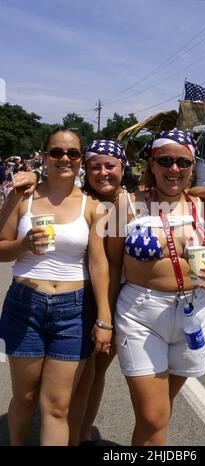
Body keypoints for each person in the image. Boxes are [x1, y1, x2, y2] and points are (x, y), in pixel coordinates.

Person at [11, 136, 205, 446]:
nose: (103, 173)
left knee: (100, 378)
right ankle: (76, 437)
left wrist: (204, 193)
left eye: (110, 166)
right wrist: (106, 316)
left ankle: (83, 433)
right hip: (105, 303)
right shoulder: (98, 201)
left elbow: (180, 194)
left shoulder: (144, 200)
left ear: (124, 167)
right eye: (94, 166)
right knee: (84, 378)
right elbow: (109, 262)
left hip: (162, 307)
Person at [108, 129, 205, 446]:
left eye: (182, 162)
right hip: (140, 315)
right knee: (153, 416)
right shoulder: (127, 205)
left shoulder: (201, 208)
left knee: (158, 415)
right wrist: (103, 321)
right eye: (165, 160)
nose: (174, 168)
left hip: (192, 315)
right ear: (152, 163)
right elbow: (109, 266)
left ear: (192, 166)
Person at [0, 127, 111, 446]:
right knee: (25, 398)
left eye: (73, 153)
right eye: (57, 152)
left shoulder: (94, 206)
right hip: (25, 305)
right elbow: (0, 248)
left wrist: (103, 317)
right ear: (45, 156)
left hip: (74, 311)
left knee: (58, 407)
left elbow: (98, 263)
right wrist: (22, 245)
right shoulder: (23, 197)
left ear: (81, 160)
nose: (65, 158)